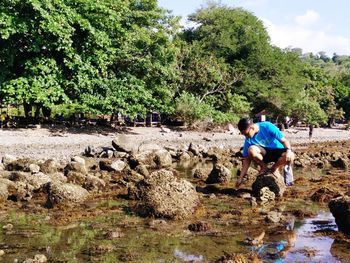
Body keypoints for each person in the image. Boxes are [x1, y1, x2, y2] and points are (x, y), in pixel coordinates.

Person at [235, 118, 295, 189]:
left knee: (291, 156)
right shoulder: (248, 140)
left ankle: (274, 168)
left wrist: (288, 151)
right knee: (251, 150)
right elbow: (246, 160)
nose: (246, 136)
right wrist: (240, 178)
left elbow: (285, 141)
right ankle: (264, 167)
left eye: (246, 134)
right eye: (244, 135)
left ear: (252, 128)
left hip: (278, 151)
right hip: (265, 155)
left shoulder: (267, 126)